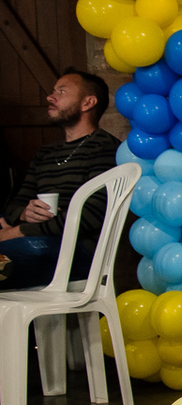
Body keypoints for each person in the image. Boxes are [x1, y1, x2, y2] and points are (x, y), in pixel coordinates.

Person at [0, 70, 120, 289]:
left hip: (76, 250)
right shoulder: (45, 153)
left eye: (61, 92)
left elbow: (90, 215)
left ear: (88, 103)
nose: (50, 97)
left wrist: (17, 232)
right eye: (53, 91)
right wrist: (24, 213)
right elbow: (14, 205)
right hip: (33, 242)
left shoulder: (106, 148)